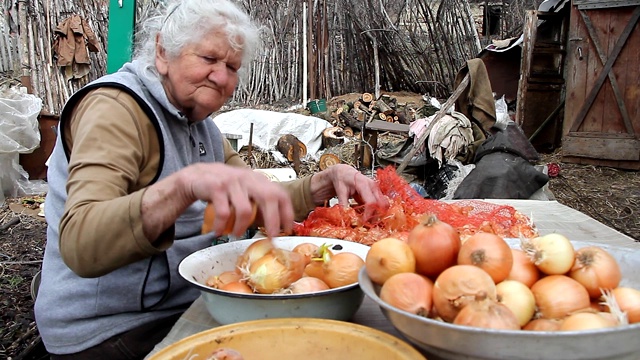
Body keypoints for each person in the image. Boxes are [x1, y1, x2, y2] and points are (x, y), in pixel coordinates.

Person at [34, 0, 389, 358]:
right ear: (162, 52)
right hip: (112, 329)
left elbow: (251, 198)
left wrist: (320, 184)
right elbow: (81, 244)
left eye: (232, 66)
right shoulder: (115, 109)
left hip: (188, 302)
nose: (222, 78)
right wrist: (182, 187)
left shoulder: (200, 125)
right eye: (208, 59)